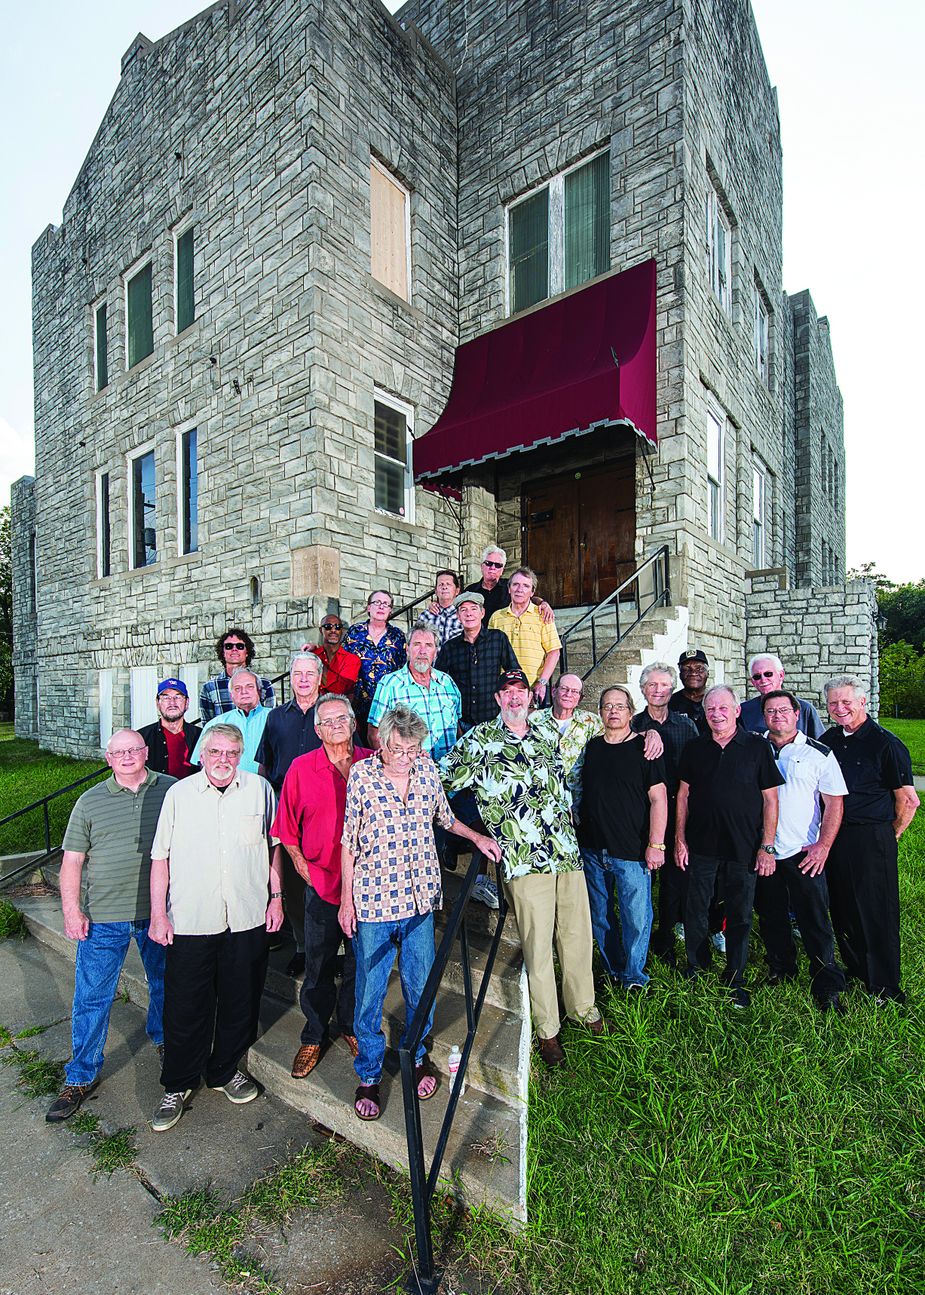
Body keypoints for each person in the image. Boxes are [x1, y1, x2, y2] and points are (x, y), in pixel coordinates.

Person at [339, 706, 500, 1121]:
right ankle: (370, 1074)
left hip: (419, 901)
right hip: (374, 902)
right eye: (398, 749)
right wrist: (346, 900)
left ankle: (416, 1055)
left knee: (420, 984)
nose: (405, 757)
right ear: (382, 742)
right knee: (371, 992)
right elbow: (349, 843)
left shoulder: (427, 771)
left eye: (412, 750)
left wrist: (477, 836)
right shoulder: (362, 775)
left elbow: (444, 818)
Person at [443, 670, 604, 1068]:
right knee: (538, 945)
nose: (515, 699)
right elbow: (440, 781)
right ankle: (549, 1030)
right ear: (498, 699)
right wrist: (474, 832)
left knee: (577, 935)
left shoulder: (547, 733)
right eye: (507, 692)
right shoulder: (480, 739)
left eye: (520, 692)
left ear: (531, 697)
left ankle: (584, 1010)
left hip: (565, 851)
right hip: (524, 857)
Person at [148, 724, 283, 1132]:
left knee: (241, 1000)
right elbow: (160, 859)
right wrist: (159, 913)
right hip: (192, 917)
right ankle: (178, 1082)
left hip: (246, 915)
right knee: (186, 1004)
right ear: (202, 755)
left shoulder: (260, 789)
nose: (223, 760)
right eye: (215, 752)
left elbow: (273, 847)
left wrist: (276, 898)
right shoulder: (179, 795)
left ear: (240, 755)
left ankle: (224, 1070)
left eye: (231, 753)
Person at [45, 731, 176, 1123]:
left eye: (133, 749)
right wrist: (72, 911)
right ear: (108, 758)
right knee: (91, 997)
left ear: (146, 752)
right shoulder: (89, 802)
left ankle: (166, 1041)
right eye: (118, 751)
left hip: (158, 912)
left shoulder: (171, 791)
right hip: (104, 917)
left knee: (166, 984)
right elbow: (72, 862)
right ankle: (81, 1076)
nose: (127, 756)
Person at [272, 694, 372, 1079]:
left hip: (368, 884)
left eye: (342, 718)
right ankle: (314, 1033)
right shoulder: (301, 768)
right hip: (322, 882)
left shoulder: (371, 762)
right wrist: (301, 867)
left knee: (360, 963)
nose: (335, 726)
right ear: (316, 730)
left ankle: (349, 1025)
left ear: (353, 722)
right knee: (318, 963)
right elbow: (286, 829)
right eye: (327, 721)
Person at [675, 686, 783, 1008]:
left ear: (736, 711)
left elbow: (770, 799)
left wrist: (767, 846)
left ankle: (735, 977)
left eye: (723, 708)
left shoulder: (757, 747)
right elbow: (683, 795)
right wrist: (679, 839)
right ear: (704, 713)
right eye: (711, 709)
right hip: (701, 845)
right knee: (695, 910)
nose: (717, 714)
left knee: (739, 914)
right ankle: (697, 966)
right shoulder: (694, 748)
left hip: (744, 846)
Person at [821, 675, 919, 1004]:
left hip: (872, 837)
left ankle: (886, 987)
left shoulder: (885, 743)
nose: (840, 708)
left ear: (862, 702)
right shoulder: (830, 739)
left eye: (847, 702)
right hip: (835, 834)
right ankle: (858, 968)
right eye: (834, 703)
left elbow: (908, 800)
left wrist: (889, 835)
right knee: (843, 907)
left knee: (876, 912)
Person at [756, 690, 848, 1012]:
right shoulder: (754, 747)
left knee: (814, 920)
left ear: (797, 714)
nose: (777, 716)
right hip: (764, 851)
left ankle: (827, 984)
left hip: (802, 852)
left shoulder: (818, 753)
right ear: (764, 716)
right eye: (770, 711)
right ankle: (782, 969)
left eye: (784, 710)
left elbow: (834, 802)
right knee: (771, 917)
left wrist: (823, 846)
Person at [578, 687, 668, 990]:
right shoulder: (591, 747)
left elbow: (659, 799)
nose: (613, 711)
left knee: (636, 918)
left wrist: (656, 844)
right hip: (592, 849)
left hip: (632, 851)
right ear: (601, 712)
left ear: (631, 712)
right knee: (601, 917)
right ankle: (614, 968)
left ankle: (634, 977)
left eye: (620, 706)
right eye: (607, 706)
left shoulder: (645, 748)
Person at [256, 653, 324, 975]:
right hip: (287, 805)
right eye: (298, 673)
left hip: (324, 808)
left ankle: (330, 947)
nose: (303, 679)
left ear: (319, 678)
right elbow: (265, 765)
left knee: (324, 877)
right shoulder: (275, 718)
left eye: (310, 673)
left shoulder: (333, 715)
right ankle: (300, 944)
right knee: (295, 881)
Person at [631, 663, 700, 965]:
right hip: (641, 812)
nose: (658, 691)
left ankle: (667, 933)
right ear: (643, 689)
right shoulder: (632, 725)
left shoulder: (686, 726)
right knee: (642, 878)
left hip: (678, 810)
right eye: (652, 685)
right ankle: (640, 934)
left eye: (664, 686)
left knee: (675, 878)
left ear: (672, 690)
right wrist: (645, 731)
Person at [367, 624, 462, 765]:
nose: (422, 651)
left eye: (429, 645)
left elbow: (458, 726)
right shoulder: (390, 684)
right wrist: (394, 767)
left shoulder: (448, 683)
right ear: (407, 649)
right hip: (410, 773)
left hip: (449, 772)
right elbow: (374, 735)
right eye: (417, 644)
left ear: (435, 652)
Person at [434, 591, 520, 730]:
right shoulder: (450, 647)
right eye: (463, 610)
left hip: (494, 719)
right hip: (462, 722)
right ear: (457, 616)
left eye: (474, 609)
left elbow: (514, 673)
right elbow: (438, 681)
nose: (469, 614)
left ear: (482, 613)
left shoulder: (498, 639)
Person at [489, 566, 562, 706]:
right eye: (515, 584)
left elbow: (554, 652)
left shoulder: (542, 615)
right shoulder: (496, 617)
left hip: (532, 689)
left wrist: (542, 682)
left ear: (532, 591)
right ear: (509, 588)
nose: (519, 589)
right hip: (504, 688)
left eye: (525, 586)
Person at [343, 590, 407, 741]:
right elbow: (341, 658)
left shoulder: (397, 636)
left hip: (387, 705)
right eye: (376, 602)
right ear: (368, 608)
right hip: (358, 702)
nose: (381, 607)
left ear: (390, 610)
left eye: (386, 604)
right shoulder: (355, 632)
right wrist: (315, 648)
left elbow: (402, 668)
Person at [192, 667, 270, 772]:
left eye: (250, 687)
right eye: (237, 688)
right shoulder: (216, 723)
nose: (244, 692)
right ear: (231, 695)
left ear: (259, 691)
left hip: (268, 785)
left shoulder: (275, 718)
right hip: (227, 785)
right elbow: (201, 761)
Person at [463, 545, 555, 623]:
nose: (493, 568)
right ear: (481, 566)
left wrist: (543, 603)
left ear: (502, 570)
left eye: (498, 565)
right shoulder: (470, 590)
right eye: (489, 563)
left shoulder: (511, 586)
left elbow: (529, 597)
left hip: (506, 638)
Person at [198, 628, 275, 721]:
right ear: (223, 652)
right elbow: (207, 725)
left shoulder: (264, 684)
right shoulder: (210, 687)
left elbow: (272, 719)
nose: (234, 649)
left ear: (247, 652)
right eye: (229, 646)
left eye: (240, 646)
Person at [739, 654, 824, 736]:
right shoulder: (744, 711)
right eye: (757, 676)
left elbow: (820, 745)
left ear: (781, 675)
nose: (763, 680)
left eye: (768, 674)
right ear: (753, 682)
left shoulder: (805, 709)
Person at [137, 678, 201, 780]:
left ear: (187, 703)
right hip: (155, 794)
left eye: (178, 697)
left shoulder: (200, 736)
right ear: (158, 703)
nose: (172, 703)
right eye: (166, 698)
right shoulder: (141, 738)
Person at [306, 615, 361, 697]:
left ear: (341, 631)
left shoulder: (352, 659)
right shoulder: (312, 655)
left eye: (338, 627)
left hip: (337, 707)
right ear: (321, 630)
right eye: (328, 627)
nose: (333, 630)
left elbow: (339, 690)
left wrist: (317, 664)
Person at [419, 569, 464, 649]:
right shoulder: (425, 617)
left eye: (448, 584)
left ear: (457, 591)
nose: (444, 587)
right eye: (441, 584)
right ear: (436, 591)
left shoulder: (464, 616)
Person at [668, 649, 710, 734]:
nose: (693, 673)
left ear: (707, 673)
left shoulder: (717, 700)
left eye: (699, 669)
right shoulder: (670, 703)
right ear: (680, 675)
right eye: (687, 669)